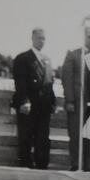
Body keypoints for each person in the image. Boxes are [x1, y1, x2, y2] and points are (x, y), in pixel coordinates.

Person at [12, 28, 56, 169]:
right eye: (38, 38)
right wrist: (24, 101)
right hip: (28, 106)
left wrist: (53, 102)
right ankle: (25, 167)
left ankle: (42, 167)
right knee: (25, 137)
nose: (41, 41)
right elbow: (20, 83)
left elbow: (50, 83)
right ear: (32, 38)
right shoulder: (23, 58)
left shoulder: (47, 60)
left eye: (43, 38)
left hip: (43, 108)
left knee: (42, 139)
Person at [61, 26, 90, 171]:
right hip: (77, 103)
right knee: (76, 135)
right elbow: (67, 78)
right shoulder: (74, 54)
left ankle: (89, 166)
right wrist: (69, 100)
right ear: (83, 37)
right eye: (89, 37)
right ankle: (76, 165)